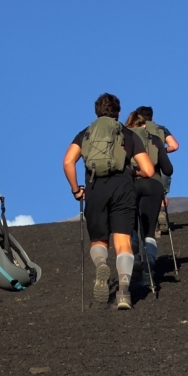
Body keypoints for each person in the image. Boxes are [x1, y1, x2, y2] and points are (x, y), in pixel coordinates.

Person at [62, 93, 155, 310]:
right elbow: (149, 169)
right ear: (119, 113)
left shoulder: (86, 133)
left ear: (97, 112)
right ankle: (123, 292)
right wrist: (135, 173)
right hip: (123, 188)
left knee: (99, 241)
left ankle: (102, 264)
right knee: (123, 243)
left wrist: (76, 190)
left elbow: (68, 162)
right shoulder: (128, 134)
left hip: (95, 189)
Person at [126, 109, 173, 284]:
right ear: (145, 125)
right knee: (149, 230)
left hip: (130, 184)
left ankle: (135, 255)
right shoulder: (155, 140)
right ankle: (149, 268)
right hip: (154, 185)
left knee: (131, 223)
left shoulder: (124, 141)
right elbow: (168, 169)